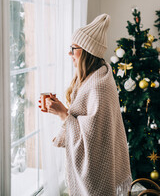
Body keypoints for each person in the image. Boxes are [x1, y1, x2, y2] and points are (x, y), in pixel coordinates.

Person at [39, 14, 132, 196]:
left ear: (87, 51)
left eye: (73, 49)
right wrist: (61, 109)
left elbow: (93, 137)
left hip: (97, 170)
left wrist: (63, 114)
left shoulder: (99, 85)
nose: (69, 53)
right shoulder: (98, 73)